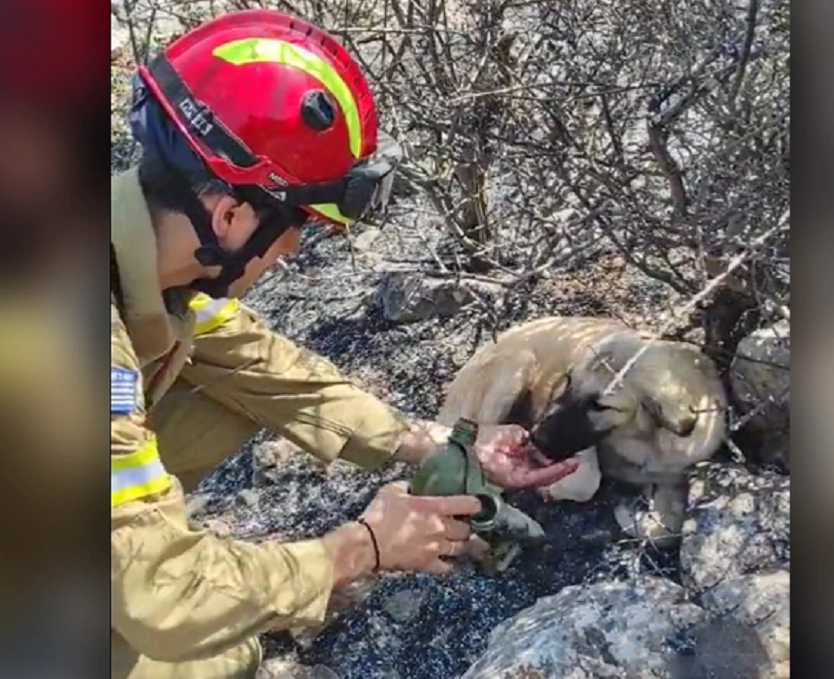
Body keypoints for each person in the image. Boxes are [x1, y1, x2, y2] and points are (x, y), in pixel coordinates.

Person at [109, 10, 578, 679]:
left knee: (232, 401)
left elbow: (279, 376)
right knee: (209, 649)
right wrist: (359, 548)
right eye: (295, 222)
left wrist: (446, 444)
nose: (294, 247)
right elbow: (162, 596)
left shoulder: (148, 271)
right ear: (231, 214)